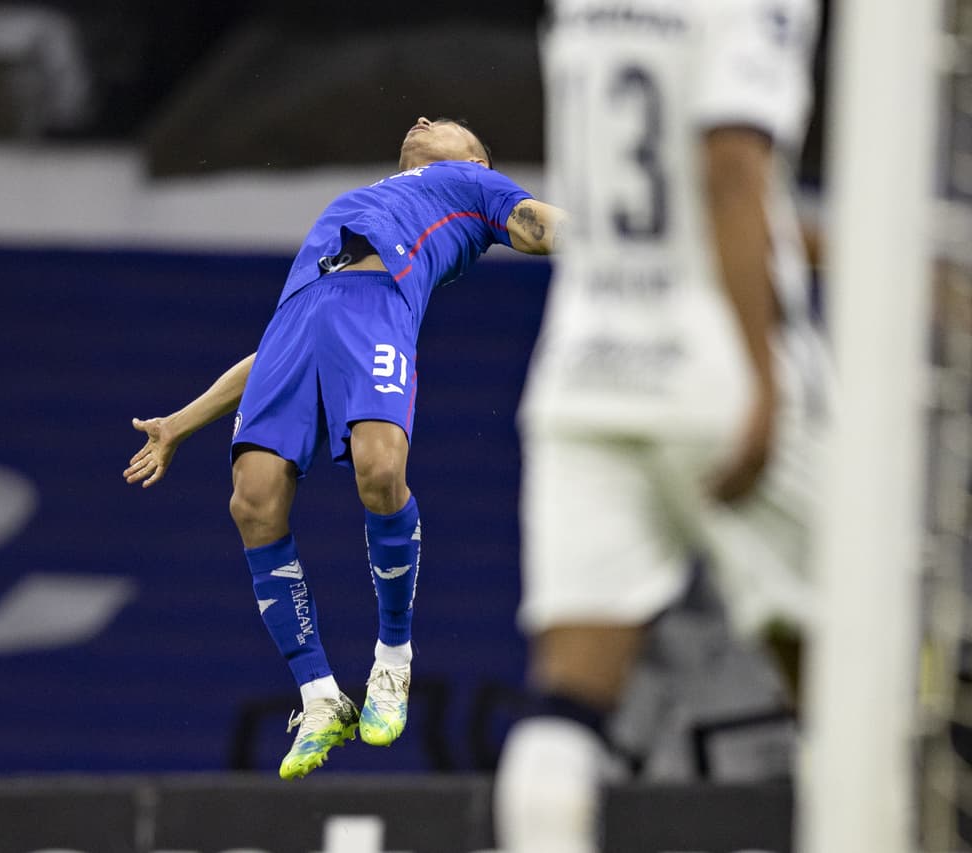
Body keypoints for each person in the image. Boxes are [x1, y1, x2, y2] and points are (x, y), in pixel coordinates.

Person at [126, 116, 567, 780]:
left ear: (475, 154)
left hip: (376, 309)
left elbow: (542, 224)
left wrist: (634, 239)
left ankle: (392, 660)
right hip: (300, 325)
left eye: (441, 121)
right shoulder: (353, 207)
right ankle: (319, 695)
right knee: (252, 501)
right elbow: (274, 348)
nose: (420, 119)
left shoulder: (474, 187)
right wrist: (180, 422)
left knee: (379, 467)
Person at [495, 1, 825, 850]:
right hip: (713, 365)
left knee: (567, 702)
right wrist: (763, 374)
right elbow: (728, 167)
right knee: (852, 687)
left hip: (585, 368)